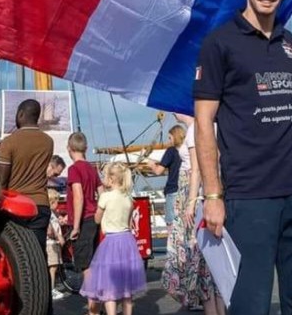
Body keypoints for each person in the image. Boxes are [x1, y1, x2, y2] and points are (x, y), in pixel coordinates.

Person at [195, 0, 292, 315]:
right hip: (250, 196)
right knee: (249, 304)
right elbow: (204, 121)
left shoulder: (291, 45)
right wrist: (212, 195)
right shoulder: (219, 44)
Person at [161, 117, 223, 314]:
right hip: (213, 191)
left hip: (194, 195)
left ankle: (209, 308)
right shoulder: (215, 125)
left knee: (199, 258)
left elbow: (196, 169)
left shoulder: (195, 128)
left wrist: (190, 202)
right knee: (214, 262)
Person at [80, 162, 147, 315]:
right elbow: (129, 224)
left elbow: (97, 219)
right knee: (126, 289)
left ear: (110, 179)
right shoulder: (128, 199)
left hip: (111, 242)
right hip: (127, 242)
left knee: (109, 285)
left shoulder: (105, 197)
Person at [0, 98, 55, 251]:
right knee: (38, 255)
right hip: (41, 204)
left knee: (15, 255)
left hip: (16, 206)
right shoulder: (48, 142)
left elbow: (1, 180)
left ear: (21, 114)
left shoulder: (9, 142)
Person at [66, 131, 102, 314]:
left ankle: (93, 310)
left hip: (83, 221)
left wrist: (76, 226)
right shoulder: (91, 168)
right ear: (85, 149)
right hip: (94, 219)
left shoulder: (74, 170)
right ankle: (97, 306)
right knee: (94, 263)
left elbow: (78, 197)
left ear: (69, 149)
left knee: (86, 266)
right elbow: (102, 193)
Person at [142, 124, 186, 229]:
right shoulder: (186, 151)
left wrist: (152, 164)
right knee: (183, 223)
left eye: (170, 138)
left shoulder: (171, 151)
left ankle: (173, 244)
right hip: (184, 190)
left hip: (172, 191)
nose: (169, 141)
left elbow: (158, 171)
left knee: (171, 223)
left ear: (175, 137)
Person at [46, 188, 67, 302]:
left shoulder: (53, 213)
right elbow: (49, 230)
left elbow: (59, 220)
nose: (58, 204)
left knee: (53, 266)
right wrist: (59, 236)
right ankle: (51, 290)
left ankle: (51, 288)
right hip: (51, 243)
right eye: (57, 202)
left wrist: (63, 220)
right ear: (51, 202)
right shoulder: (49, 214)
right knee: (52, 267)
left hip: (54, 243)